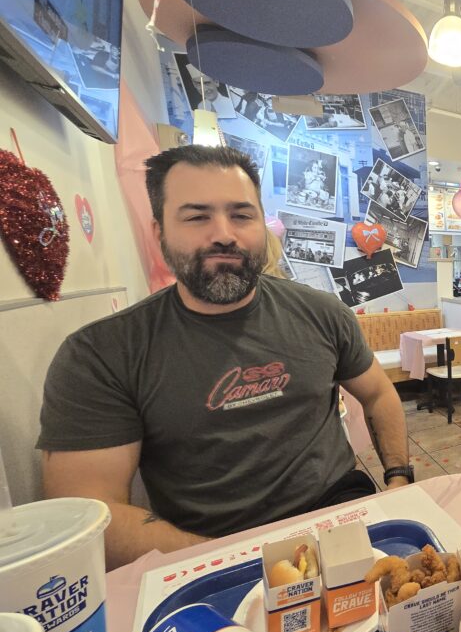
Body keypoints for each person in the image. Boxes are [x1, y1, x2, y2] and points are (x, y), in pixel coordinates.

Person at [37, 145, 414, 569]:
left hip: (335, 510)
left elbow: (379, 394)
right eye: (197, 216)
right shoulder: (102, 354)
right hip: (203, 547)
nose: (223, 234)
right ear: (158, 232)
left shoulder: (323, 313)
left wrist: (399, 477)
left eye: (241, 214)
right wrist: (236, 561)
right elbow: (91, 515)